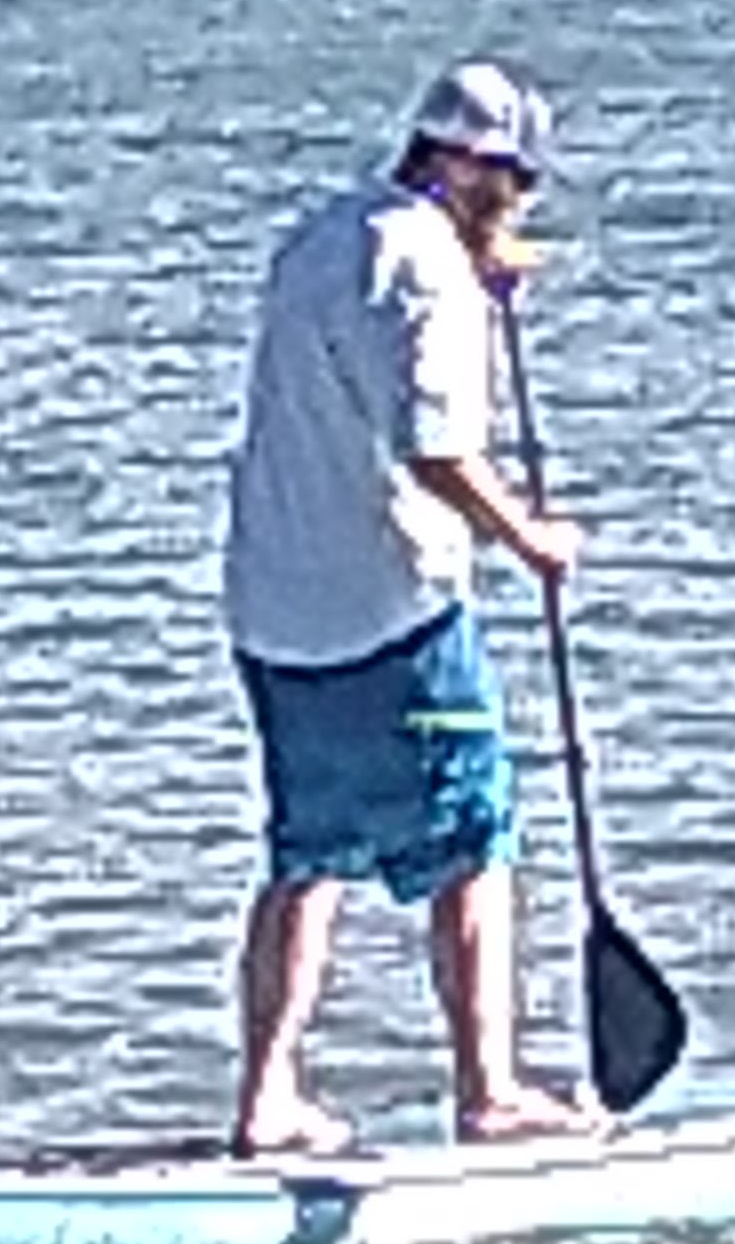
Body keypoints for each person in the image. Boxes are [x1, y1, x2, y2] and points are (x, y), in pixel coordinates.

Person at [221, 58, 593, 1155]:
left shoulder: (320, 235)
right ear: (475, 167)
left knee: (307, 853)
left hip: (273, 605)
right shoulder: (430, 268)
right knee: (477, 837)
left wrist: (482, 282)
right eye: (515, 184)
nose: (520, 207)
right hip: (398, 605)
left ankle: (266, 1098)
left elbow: (361, 351)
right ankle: (491, 1090)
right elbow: (436, 451)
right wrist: (533, 539)